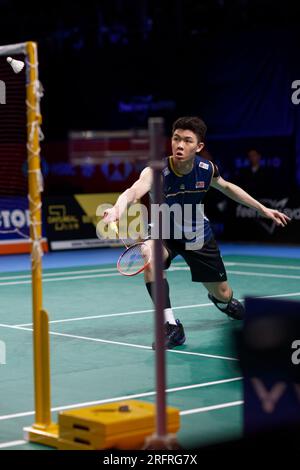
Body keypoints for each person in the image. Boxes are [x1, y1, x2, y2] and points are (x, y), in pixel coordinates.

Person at [103, 117, 290, 349]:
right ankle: (171, 326)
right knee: (149, 257)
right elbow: (132, 192)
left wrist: (262, 209)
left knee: (223, 293)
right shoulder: (156, 171)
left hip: (197, 236)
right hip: (163, 233)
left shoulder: (206, 169)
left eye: (187, 140)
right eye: (176, 138)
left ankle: (223, 302)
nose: (179, 145)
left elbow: (228, 187)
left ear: (199, 146)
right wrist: (117, 209)